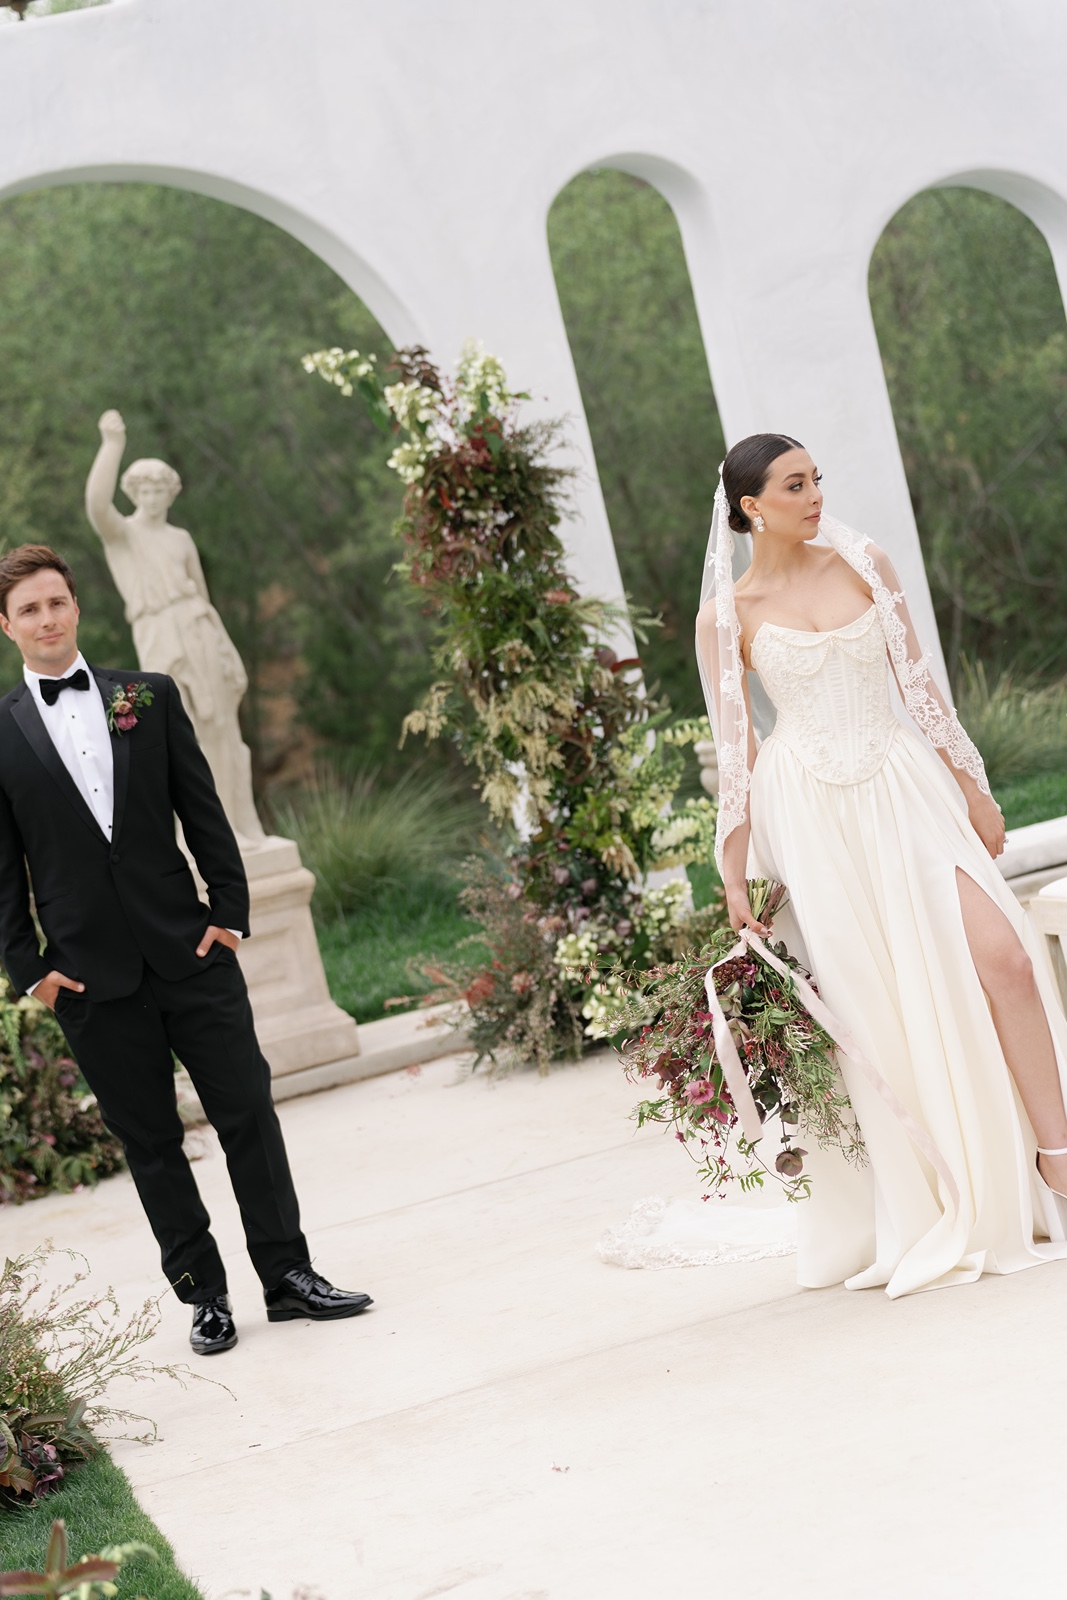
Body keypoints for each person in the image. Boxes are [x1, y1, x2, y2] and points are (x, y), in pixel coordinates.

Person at [695, 434, 1067, 1297]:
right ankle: (948, 1191)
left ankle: (1056, 1161)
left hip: (903, 786)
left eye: (816, 478)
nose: (815, 493)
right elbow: (737, 742)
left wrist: (972, 786)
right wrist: (733, 870)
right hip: (813, 811)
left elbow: (920, 687)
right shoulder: (729, 614)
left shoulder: (864, 562)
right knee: (884, 1002)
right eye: (795, 484)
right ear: (751, 506)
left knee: (1003, 961)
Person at [0, 544, 372, 1352]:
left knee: (248, 1115)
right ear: (7, 626)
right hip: (88, 981)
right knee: (152, 1145)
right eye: (28, 609)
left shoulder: (148, 696)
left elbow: (203, 812)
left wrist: (228, 914)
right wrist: (30, 971)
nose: (47, 619)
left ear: (77, 608)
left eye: (56, 602)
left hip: (189, 951)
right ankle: (203, 1296)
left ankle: (289, 1277)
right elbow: (2, 868)